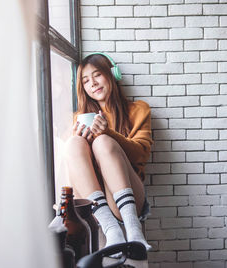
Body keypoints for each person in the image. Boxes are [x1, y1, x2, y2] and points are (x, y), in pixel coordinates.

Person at [64, 53, 152, 251]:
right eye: (86, 81)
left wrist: (108, 133)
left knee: (103, 141)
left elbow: (141, 155)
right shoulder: (79, 118)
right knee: (73, 144)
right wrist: (82, 141)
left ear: (113, 75)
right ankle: (111, 230)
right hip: (94, 203)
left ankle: (133, 229)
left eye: (97, 75)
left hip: (127, 199)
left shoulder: (138, 109)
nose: (92, 83)